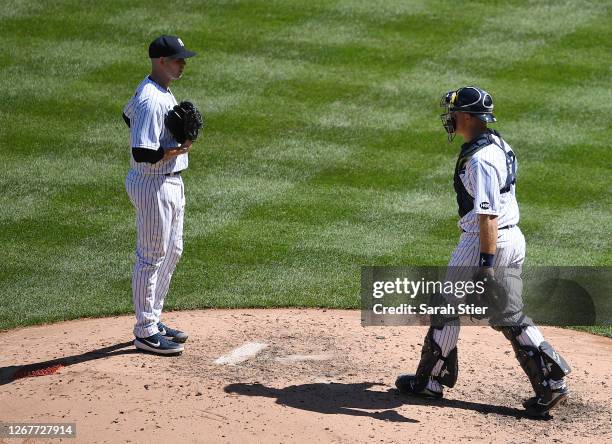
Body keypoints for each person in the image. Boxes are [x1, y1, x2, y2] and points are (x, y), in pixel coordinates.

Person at [395, 86, 571, 417]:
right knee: (509, 314)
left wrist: (485, 267)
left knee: (446, 306)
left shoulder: (480, 160)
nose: (449, 118)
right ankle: (550, 383)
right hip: (511, 237)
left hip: (484, 241)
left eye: (453, 112)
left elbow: (487, 215)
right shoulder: (497, 143)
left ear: (465, 116)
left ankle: (430, 381)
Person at [122, 35, 197, 355]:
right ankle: (144, 331)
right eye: (178, 59)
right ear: (161, 61)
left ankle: (153, 318)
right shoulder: (152, 99)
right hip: (153, 184)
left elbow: (127, 115)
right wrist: (174, 149)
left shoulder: (156, 90)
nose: (183, 63)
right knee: (151, 257)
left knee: (173, 250)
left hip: (168, 183)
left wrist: (170, 147)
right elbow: (141, 152)